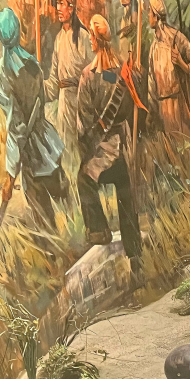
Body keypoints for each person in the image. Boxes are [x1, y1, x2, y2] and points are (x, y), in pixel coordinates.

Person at [0, 8, 68, 234]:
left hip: (31, 154)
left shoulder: (1, 73)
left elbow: (16, 128)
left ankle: (55, 252)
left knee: (44, 221)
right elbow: (41, 104)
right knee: (63, 205)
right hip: (49, 144)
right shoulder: (33, 64)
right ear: (18, 31)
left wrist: (10, 175)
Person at [77, 15, 144, 263]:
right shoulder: (121, 74)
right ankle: (134, 252)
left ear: (96, 40)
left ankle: (99, 231)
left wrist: (86, 149)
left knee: (83, 179)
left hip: (102, 153)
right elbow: (132, 109)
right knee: (125, 191)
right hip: (123, 149)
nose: (90, 40)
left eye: (91, 36)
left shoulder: (89, 75)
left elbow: (82, 125)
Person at [146, 0, 190, 144]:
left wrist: (183, 65)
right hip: (163, 113)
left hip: (179, 109)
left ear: (156, 16)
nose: (148, 15)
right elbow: (151, 84)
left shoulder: (177, 39)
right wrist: (151, 113)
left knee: (184, 150)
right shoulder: (153, 48)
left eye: (149, 12)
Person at [44, 0, 93, 174]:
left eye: (61, 3)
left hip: (80, 103)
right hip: (64, 103)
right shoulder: (58, 39)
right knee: (65, 151)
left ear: (71, 7)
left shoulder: (84, 37)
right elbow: (53, 80)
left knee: (81, 150)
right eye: (56, 3)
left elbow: (95, 73)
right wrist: (39, 89)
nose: (58, 8)